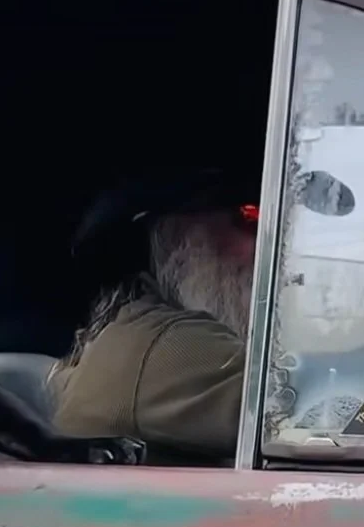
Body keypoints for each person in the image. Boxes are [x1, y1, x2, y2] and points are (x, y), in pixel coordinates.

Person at [47, 169, 258, 463]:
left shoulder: (128, 330)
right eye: (248, 216)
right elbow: (317, 417)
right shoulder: (168, 344)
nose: (265, 242)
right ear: (170, 235)